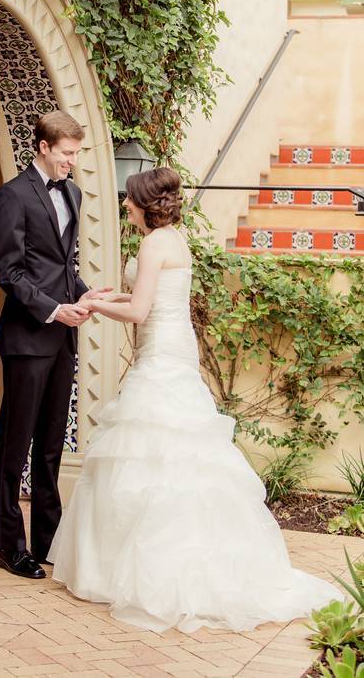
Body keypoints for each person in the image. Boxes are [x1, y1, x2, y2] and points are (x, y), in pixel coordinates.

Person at [48, 166, 339, 631]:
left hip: (160, 354)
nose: (125, 204)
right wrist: (105, 297)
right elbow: (148, 299)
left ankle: (152, 572)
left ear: (145, 204)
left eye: (129, 199)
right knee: (177, 451)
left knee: (154, 448)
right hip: (172, 347)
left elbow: (140, 310)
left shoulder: (152, 244)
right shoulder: (173, 240)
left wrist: (91, 306)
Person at [0, 111, 110, 580]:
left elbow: (59, 267)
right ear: (43, 146)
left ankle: (47, 539)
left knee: (51, 445)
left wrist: (85, 295)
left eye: (76, 154)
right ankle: (10, 545)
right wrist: (53, 309)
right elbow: (8, 271)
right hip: (27, 337)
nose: (72, 162)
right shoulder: (13, 195)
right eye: (66, 153)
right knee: (14, 446)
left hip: (62, 340)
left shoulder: (72, 194)